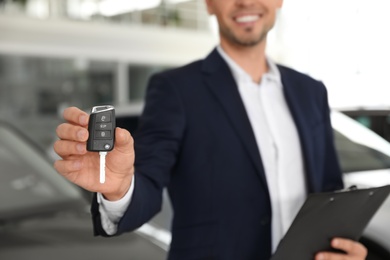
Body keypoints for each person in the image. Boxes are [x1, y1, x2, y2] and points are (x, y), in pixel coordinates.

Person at [54, 0, 368, 259]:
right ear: (208, 5)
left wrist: (340, 245)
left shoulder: (311, 90)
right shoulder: (175, 90)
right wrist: (119, 188)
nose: (246, 2)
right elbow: (149, 180)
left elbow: (330, 190)